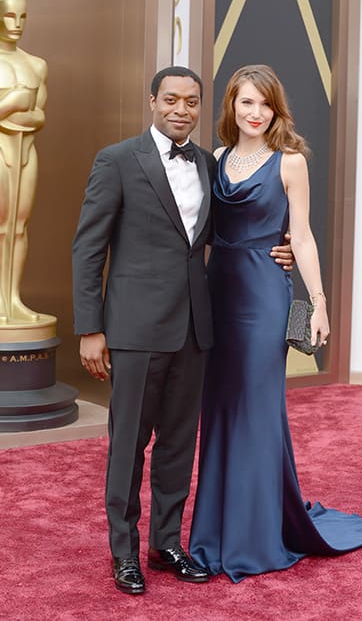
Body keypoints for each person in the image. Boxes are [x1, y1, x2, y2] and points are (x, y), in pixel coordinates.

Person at [72, 66, 293, 595]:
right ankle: (124, 553)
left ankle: (165, 542)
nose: (181, 110)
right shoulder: (118, 160)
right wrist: (90, 329)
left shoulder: (208, 163)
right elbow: (88, 248)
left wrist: (278, 247)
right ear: (152, 101)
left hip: (196, 327)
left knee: (177, 445)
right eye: (170, 99)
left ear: (200, 108)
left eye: (191, 102)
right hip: (133, 328)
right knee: (128, 446)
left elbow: (234, 226)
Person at [189, 64, 362, 583]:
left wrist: (318, 302)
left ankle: (254, 537)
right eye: (245, 103)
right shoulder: (219, 160)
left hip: (263, 295)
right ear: (231, 106)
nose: (255, 113)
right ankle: (213, 533)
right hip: (218, 291)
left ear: (276, 109)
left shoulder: (290, 161)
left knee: (255, 409)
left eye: (264, 104)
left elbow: (301, 236)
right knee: (219, 409)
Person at [0, 0, 47, 323]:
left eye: (22, 17)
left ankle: (12, 299)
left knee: (18, 226)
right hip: (2, 150)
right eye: (8, 16)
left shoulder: (36, 64)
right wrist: (15, 104)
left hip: (25, 151)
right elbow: (24, 110)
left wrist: (17, 113)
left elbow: (39, 117)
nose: (16, 25)